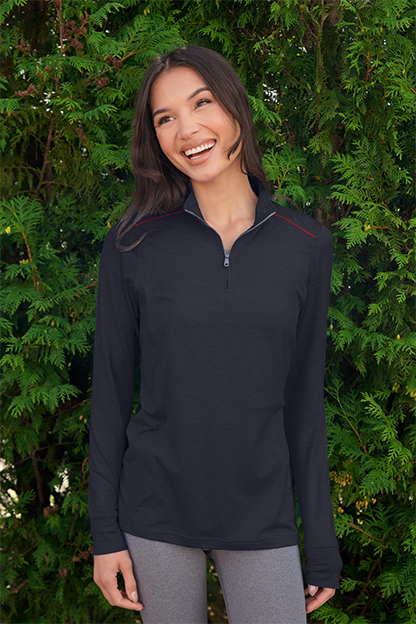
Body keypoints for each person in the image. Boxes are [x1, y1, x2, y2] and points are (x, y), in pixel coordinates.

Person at [88, 45, 343, 623]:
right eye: (165, 117)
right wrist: (105, 533)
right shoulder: (133, 244)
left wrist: (322, 545)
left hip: (261, 514)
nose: (187, 130)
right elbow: (110, 397)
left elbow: (304, 405)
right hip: (155, 512)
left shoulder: (305, 246)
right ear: (155, 138)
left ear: (235, 109)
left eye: (201, 103)